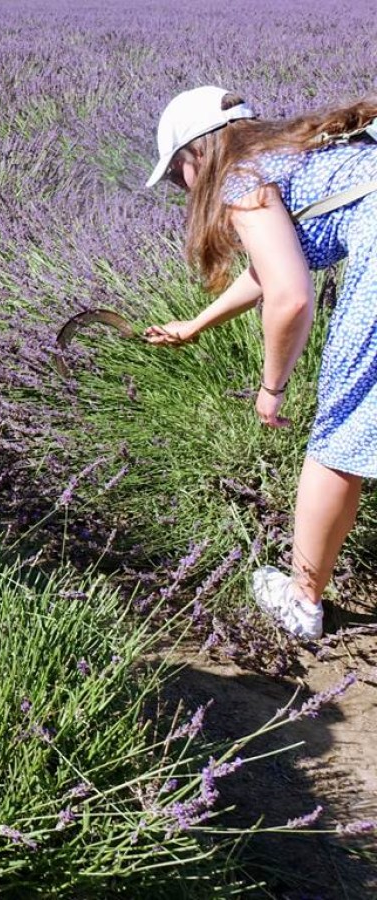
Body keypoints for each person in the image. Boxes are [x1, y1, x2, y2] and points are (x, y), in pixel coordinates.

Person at [141, 85, 377, 640]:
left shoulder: (238, 176)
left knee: (339, 437)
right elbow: (273, 266)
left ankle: (301, 601)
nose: (184, 189)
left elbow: (290, 294)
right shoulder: (292, 148)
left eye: (177, 175)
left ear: (197, 153)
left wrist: (272, 387)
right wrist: (197, 325)